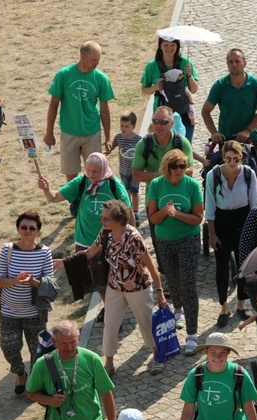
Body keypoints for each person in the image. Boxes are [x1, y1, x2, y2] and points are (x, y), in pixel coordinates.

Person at [54, 200, 167, 375]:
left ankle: (157, 356)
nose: (102, 221)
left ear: (119, 220)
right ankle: (109, 363)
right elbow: (89, 252)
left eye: (106, 218)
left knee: (146, 324)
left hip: (138, 288)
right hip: (114, 286)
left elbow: (151, 266)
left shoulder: (133, 238)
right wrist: (65, 262)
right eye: (103, 217)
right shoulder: (105, 233)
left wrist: (160, 293)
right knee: (110, 324)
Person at [37, 152, 132, 319]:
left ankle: (115, 312)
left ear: (103, 169)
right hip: (85, 241)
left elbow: (128, 214)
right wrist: (46, 189)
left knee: (111, 282)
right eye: (88, 170)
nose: (91, 174)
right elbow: (54, 198)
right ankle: (110, 309)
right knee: (96, 283)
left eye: (95, 171)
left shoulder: (114, 185)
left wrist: (130, 240)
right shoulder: (81, 182)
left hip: (109, 243)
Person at [26, 320, 116, 420]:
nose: (68, 347)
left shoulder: (91, 359)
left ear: (79, 338)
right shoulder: (42, 365)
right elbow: (31, 392)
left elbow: (106, 393)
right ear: (54, 342)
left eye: (72, 342)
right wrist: (49, 400)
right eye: (63, 343)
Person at [147, 149, 203, 355]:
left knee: (188, 283)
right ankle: (177, 309)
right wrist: (164, 211)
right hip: (164, 240)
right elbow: (153, 218)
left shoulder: (192, 185)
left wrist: (177, 214)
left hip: (188, 239)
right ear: (167, 167)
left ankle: (192, 334)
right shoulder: (156, 185)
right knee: (172, 279)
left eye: (183, 166)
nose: (179, 170)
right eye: (175, 166)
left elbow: (198, 218)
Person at [132, 106, 195, 285]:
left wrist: (164, 174)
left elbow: (189, 170)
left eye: (163, 122)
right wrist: (163, 175)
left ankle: (184, 275)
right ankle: (167, 279)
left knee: (184, 236)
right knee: (160, 243)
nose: (158, 125)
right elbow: (136, 174)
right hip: (155, 201)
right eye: (155, 121)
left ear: (171, 123)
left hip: (182, 199)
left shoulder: (181, 143)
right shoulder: (144, 144)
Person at [0, 211, 53, 394]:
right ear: (18, 229)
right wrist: (15, 281)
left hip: (35, 313)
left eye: (32, 228)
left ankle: (35, 381)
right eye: (24, 227)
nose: (28, 231)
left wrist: (34, 282)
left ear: (38, 231)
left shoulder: (44, 252)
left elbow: (49, 283)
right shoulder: (8, 249)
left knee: (38, 351)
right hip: (9, 310)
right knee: (8, 347)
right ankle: (20, 373)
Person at [204, 140, 257, 327]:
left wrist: (254, 231)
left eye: (235, 158)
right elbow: (210, 205)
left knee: (244, 264)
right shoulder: (214, 175)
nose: (232, 162)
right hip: (222, 220)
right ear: (223, 157)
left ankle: (242, 304)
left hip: (243, 219)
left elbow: (255, 204)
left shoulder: (248, 174)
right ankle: (224, 307)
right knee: (222, 265)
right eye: (228, 158)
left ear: (241, 157)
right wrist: (212, 233)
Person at [44, 41, 114, 182]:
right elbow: (53, 105)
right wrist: (49, 132)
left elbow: (105, 109)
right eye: (94, 59)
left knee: (95, 176)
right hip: (69, 133)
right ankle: (74, 203)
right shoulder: (64, 75)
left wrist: (107, 138)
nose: (97, 63)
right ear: (83, 57)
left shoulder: (101, 78)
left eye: (99, 59)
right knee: (71, 177)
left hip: (92, 133)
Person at [201, 48, 257, 183]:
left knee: (255, 178)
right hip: (227, 141)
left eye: (237, 61)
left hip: (251, 140)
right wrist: (214, 133)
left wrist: (248, 131)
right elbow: (206, 110)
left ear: (245, 63)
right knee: (226, 180)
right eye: (230, 62)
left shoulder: (256, 85)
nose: (234, 65)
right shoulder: (220, 85)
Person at [141, 35, 199, 141]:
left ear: (177, 46)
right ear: (160, 46)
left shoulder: (185, 62)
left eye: (173, 45)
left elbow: (194, 90)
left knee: (185, 146)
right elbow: (144, 89)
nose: (169, 48)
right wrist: (155, 87)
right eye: (166, 45)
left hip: (183, 112)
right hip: (161, 115)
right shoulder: (152, 66)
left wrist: (189, 75)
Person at [108, 112, 142, 222]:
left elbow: (143, 152)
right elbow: (112, 146)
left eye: (127, 126)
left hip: (135, 171)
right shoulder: (119, 137)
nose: (124, 128)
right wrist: (108, 148)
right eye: (122, 125)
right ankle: (128, 210)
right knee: (126, 191)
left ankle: (136, 213)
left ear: (133, 126)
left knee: (134, 191)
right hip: (123, 171)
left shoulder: (138, 139)